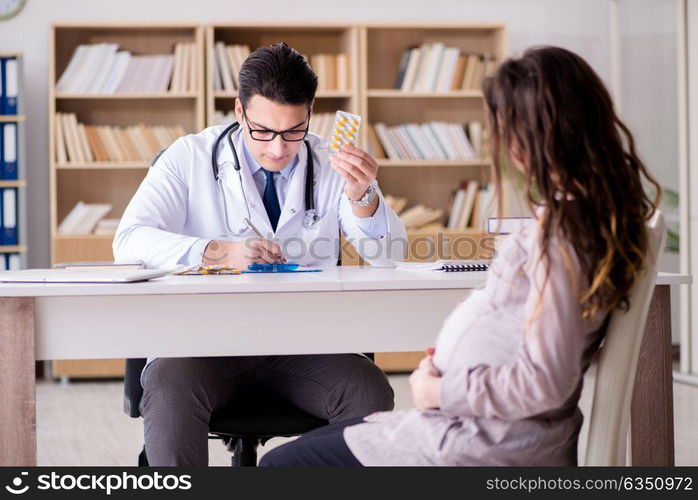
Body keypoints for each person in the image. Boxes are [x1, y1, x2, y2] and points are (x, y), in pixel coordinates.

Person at [259, 45, 661, 466]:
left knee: (280, 465)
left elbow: (545, 382)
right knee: (336, 436)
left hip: (484, 440)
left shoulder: (563, 240)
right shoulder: (580, 223)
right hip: (475, 424)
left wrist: (441, 389)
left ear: (532, 137)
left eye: (504, 128)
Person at [113, 42, 407, 466]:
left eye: (293, 132)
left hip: (304, 342)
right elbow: (129, 240)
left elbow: (389, 255)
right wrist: (217, 252)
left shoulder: (331, 163)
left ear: (310, 114)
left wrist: (363, 197)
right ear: (239, 110)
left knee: (368, 391)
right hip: (203, 343)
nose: (277, 148)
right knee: (169, 387)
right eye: (263, 131)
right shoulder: (189, 157)